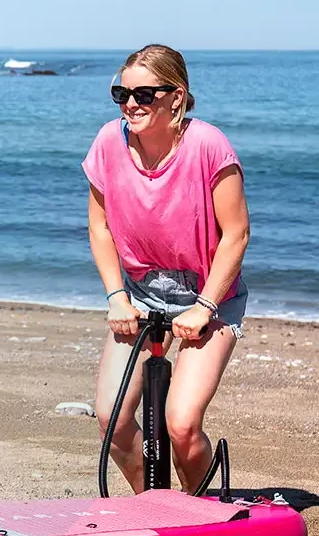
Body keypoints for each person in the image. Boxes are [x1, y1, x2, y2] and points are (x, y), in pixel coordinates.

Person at [82, 44, 250, 494]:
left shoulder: (208, 144)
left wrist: (205, 306)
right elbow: (99, 227)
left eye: (144, 94)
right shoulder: (108, 142)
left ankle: (200, 514)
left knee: (181, 425)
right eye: (121, 94)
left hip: (208, 295)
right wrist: (117, 296)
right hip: (140, 294)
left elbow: (236, 234)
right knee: (112, 419)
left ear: (176, 97)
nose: (130, 104)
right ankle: (153, 505)